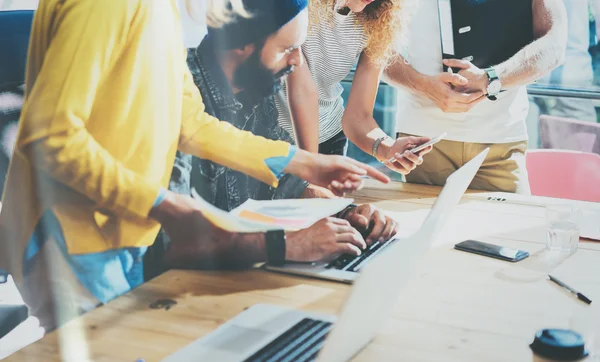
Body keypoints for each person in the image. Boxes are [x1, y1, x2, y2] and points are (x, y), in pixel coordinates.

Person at [0, 0, 389, 332]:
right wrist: (164, 204)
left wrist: (307, 163)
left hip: (121, 228)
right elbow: (49, 137)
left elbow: (191, 123)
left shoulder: (163, 10)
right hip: (69, 233)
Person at [146, 5, 401, 276]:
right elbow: (171, 246)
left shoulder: (257, 92)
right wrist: (284, 245)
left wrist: (347, 215)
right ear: (241, 43)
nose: (297, 61)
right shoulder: (174, 101)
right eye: (286, 49)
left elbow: (288, 185)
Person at [384, 0, 568, 194]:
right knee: (423, 224)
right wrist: (423, 86)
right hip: (423, 141)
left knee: (511, 223)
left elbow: (555, 44)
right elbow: (375, 48)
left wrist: (492, 78)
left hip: (500, 141)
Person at [274, 0, 433, 175]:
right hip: (268, 141)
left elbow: (358, 117)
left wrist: (387, 148)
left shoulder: (379, 18)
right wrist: (311, 171)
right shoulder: (298, 6)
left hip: (328, 140)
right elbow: (303, 92)